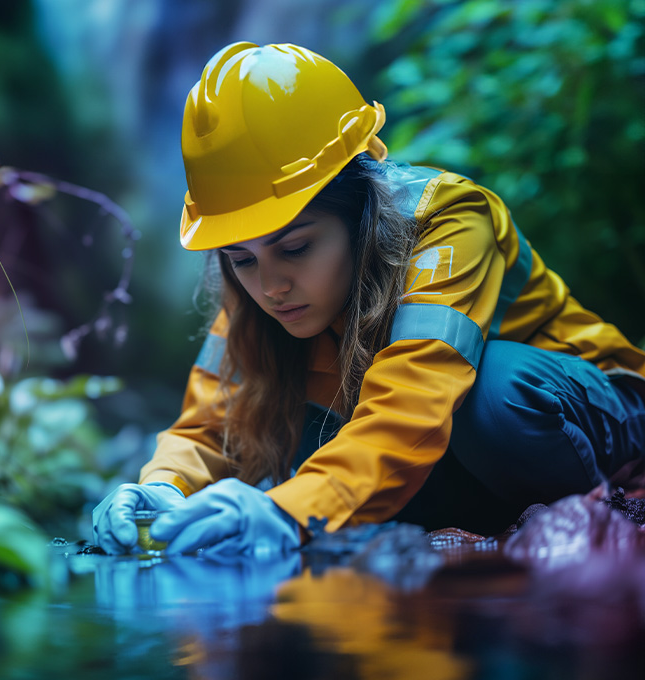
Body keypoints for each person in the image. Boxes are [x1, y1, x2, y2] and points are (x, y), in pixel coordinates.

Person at [93, 42, 645, 556]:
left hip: (589, 409)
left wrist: (288, 512)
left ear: (362, 212)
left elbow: (414, 398)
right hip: (453, 450)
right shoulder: (259, 282)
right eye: (241, 260)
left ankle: (601, 513)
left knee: (496, 395)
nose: (271, 286)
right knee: (306, 434)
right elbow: (210, 422)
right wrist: (160, 488)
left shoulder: (448, 220)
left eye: (297, 247)